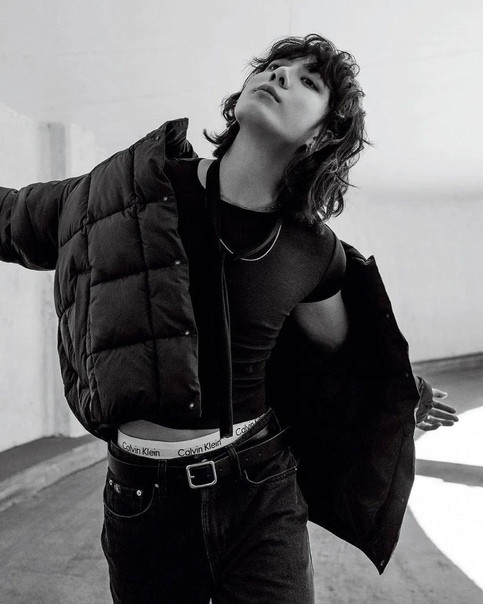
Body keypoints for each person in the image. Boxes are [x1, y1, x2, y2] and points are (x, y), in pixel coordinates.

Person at [0, 34, 457, 603]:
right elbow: (9, 217)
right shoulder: (125, 193)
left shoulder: (311, 249)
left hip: (258, 490)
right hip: (141, 501)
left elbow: (340, 359)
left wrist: (399, 395)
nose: (280, 75)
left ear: (320, 135)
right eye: (273, 66)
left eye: (308, 80)